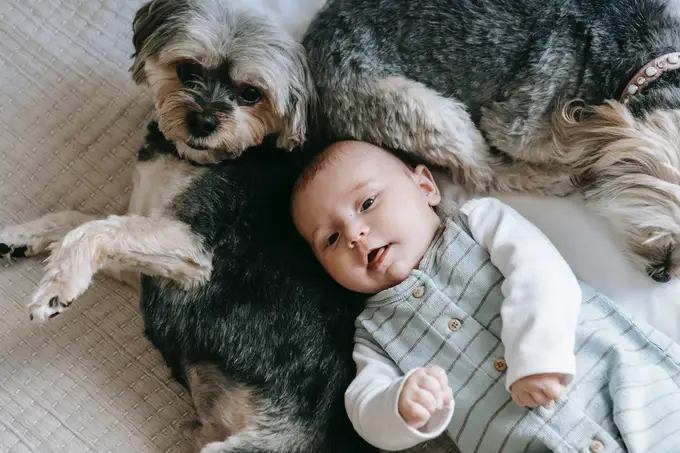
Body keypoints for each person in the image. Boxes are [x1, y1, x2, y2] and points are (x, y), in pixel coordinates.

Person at [291, 140, 680, 453]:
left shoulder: (479, 223)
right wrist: (401, 406)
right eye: (331, 238)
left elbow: (539, 270)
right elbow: (363, 406)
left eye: (367, 203)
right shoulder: (374, 334)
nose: (354, 233)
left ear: (425, 187)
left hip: (628, 388)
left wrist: (538, 354)